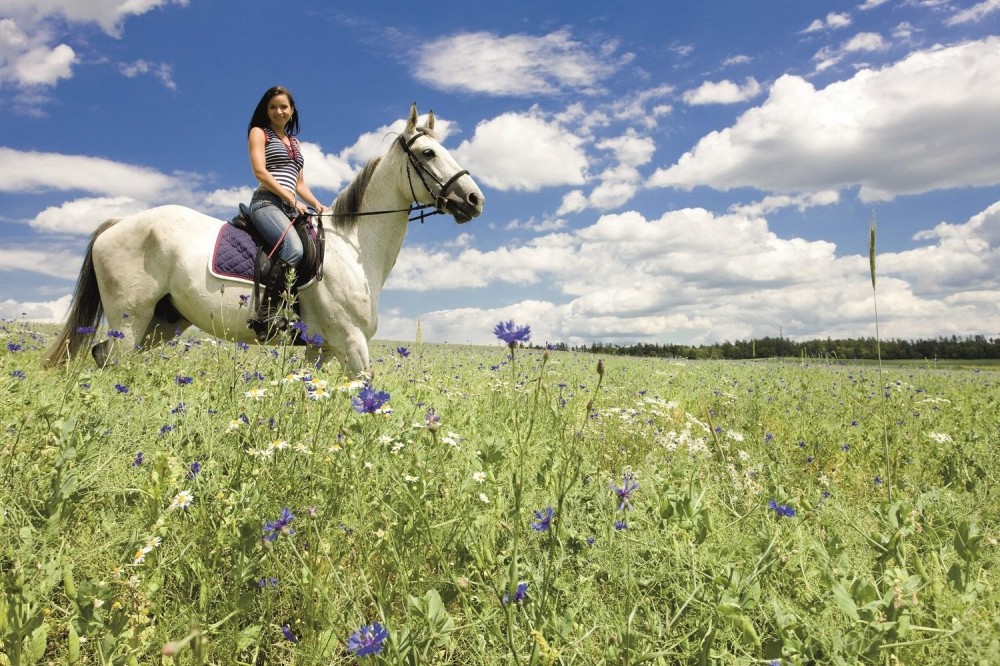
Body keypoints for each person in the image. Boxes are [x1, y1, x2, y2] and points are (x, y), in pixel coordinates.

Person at [245, 85, 327, 341]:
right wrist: (290, 199)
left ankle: (298, 313)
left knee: (315, 250)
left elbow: (299, 183)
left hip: (289, 206)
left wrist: (317, 203)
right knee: (293, 249)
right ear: (266, 110)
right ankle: (266, 313)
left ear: (292, 111)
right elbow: (260, 172)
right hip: (266, 203)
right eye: (273, 107)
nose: (279, 111)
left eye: (284, 107)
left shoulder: (295, 142)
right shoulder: (260, 133)